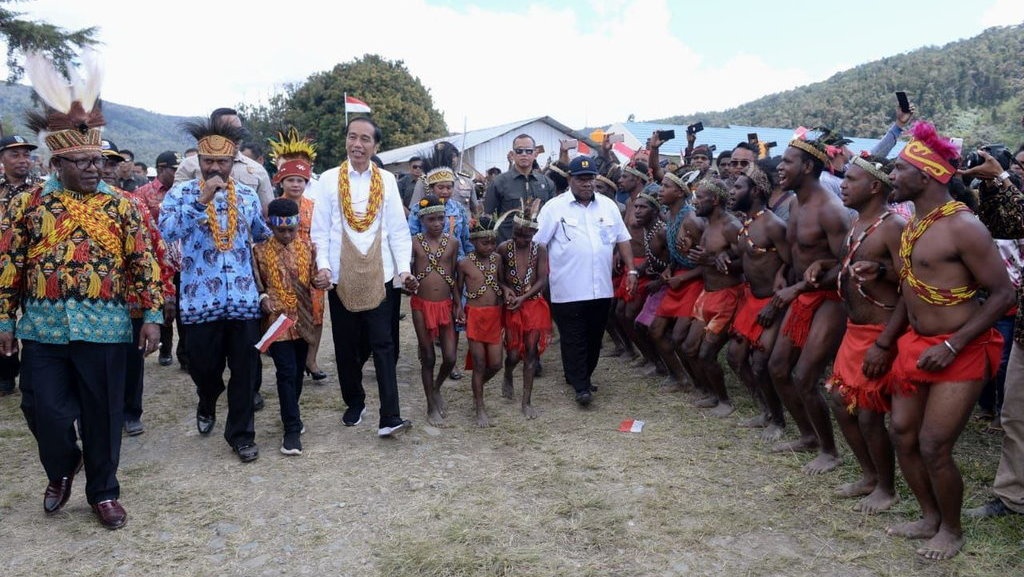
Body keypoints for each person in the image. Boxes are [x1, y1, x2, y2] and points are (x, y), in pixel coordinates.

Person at [0, 51, 162, 529]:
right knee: (41, 408)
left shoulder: (124, 207)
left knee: (104, 413)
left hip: (106, 327)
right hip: (45, 328)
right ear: (58, 162)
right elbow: (9, 264)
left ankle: (104, 492)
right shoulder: (27, 206)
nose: (96, 168)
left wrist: (152, 313)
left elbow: (142, 262)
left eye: (99, 160)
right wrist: (5, 320)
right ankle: (62, 466)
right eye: (84, 161)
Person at [884, 122, 1014, 560]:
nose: (892, 175)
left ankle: (952, 530)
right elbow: (913, 286)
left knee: (933, 445)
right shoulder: (912, 226)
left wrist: (953, 344)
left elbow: (1003, 294)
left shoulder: (964, 227)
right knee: (902, 433)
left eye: (900, 170)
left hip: (958, 350)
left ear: (925, 176)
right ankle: (928, 516)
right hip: (916, 346)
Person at [159, 116, 271, 463]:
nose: (216, 167)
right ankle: (207, 398)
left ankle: (241, 435)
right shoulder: (180, 194)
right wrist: (200, 201)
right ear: (199, 162)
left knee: (246, 370)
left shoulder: (249, 195)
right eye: (209, 161)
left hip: (242, 300)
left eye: (223, 161)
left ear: (233, 161)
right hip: (198, 300)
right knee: (203, 368)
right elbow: (166, 231)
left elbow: (260, 234)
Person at [310, 117, 417, 437]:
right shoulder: (329, 180)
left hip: (381, 274)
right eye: (352, 137)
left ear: (375, 146)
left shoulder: (386, 179)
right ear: (346, 141)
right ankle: (354, 401)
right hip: (340, 276)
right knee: (345, 346)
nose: (358, 144)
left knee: (383, 344)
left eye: (365, 139)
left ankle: (390, 415)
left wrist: (404, 270)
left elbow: (398, 230)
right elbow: (320, 229)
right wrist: (324, 266)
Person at [823, 154, 904, 514]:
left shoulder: (893, 226)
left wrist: (886, 342)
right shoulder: (857, 222)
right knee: (841, 403)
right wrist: (822, 267)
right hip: (854, 330)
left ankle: (887, 488)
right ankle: (869, 475)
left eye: (851, 179)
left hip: (880, 331)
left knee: (870, 413)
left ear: (874, 186)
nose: (842, 183)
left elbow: (911, 285)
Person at [766, 135, 851, 475]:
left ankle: (830, 452)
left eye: (787, 162)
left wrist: (800, 286)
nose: (780, 167)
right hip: (801, 294)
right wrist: (783, 275)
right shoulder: (797, 204)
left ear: (808, 166)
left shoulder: (831, 210)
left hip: (831, 299)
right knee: (777, 367)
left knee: (805, 375)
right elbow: (798, 255)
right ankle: (808, 435)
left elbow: (846, 265)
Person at [534, 156, 636, 406]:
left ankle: (580, 375)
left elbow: (622, 238)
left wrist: (631, 270)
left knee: (594, 338)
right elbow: (539, 243)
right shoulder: (554, 208)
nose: (587, 183)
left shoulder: (608, 206)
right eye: (581, 179)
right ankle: (581, 386)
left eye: (590, 178)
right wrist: (541, 276)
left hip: (600, 287)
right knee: (573, 337)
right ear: (570, 180)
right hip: (567, 287)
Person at [724, 168, 789, 440]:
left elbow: (791, 262)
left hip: (772, 302)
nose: (732, 191)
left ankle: (778, 420)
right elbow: (747, 260)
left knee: (761, 362)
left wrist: (779, 284)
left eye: (738, 187)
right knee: (735, 357)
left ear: (755, 191)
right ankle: (765, 409)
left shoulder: (773, 224)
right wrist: (720, 261)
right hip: (751, 299)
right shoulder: (747, 224)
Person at [253, 198, 318, 456]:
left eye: (291, 229)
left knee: (298, 372)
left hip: (302, 319)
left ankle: (292, 412)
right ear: (271, 225)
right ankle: (291, 429)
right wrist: (263, 298)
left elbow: (314, 278)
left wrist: (322, 278)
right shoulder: (258, 252)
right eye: (281, 230)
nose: (287, 235)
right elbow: (257, 284)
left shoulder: (308, 248)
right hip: (277, 321)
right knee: (286, 372)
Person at [681, 179, 744, 417]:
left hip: (727, 297)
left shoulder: (731, 226)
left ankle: (725, 402)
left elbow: (748, 263)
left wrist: (713, 261)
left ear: (715, 200)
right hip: (707, 295)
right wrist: (692, 252)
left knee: (707, 353)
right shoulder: (708, 224)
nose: (695, 201)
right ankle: (711, 393)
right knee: (689, 348)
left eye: (700, 197)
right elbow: (707, 257)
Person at [273, 157, 328, 382]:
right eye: (291, 180)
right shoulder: (274, 206)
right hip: (282, 265)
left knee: (316, 314)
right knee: (287, 311)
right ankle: (289, 357)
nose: (296, 185)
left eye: (300, 180)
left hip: (310, 265)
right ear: (281, 182)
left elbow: (322, 236)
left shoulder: (314, 207)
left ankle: (311, 359)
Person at [649, 172, 705, 392]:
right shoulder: (669, 216)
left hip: (693, 282)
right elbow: (676, 253)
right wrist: (670, 269)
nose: (660, 190)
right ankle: (681, 377)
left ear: (680, 191)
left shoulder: (691, 219)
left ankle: (700, 384)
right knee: (655, 330)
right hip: (677, 279)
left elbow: (708, 262)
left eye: (665, 186)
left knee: (680, 337)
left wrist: (683, 277)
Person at [409, 195, 459, 426]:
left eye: (440, 218)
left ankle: (437, 387)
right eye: (432, 219)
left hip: (446, 305)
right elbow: (407, 270)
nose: (437, 223)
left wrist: (458, 303)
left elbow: (456, 276)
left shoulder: (453, 242)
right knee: (427, 356)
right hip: (421, 305)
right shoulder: (414, 242)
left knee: (450, 357)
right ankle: (430, 405)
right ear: (422, 220)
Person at [499, 200, 550, 419]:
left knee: (530, 352)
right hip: (513, 306)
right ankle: (508, 372)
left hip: (533, 304)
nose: (521, 240)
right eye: (518, 235)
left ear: (533, 235)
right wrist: (507, 291)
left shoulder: (540, 249)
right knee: (512, 353)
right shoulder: (503, 248)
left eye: (526, 237)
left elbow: (542, 279)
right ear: (512, 231)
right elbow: (499, 279)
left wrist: (524, 297)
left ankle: (526, 401)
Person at [136, 151, 185, 368]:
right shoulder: (143, 193)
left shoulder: (185, 191)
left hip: (182, 259)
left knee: (184, 307)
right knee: (165, 305)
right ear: (161, 168)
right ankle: (166, 347)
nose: (178, 173)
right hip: (157, 260)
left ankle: (186, 353)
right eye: (174, 169)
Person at [456, 216, 505, 427]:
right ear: (474, 241)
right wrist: (458, 307)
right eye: (484, 242)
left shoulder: (497, 260)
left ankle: (477, 387)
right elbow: (457, 290)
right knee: (479, 362)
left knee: (495, 364)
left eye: (492, 242)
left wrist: (507, 292)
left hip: (494, 315)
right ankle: (479, 405)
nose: (490, 246)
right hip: (474, 315)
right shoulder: (464, 263)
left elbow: (502, 282)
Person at [0, 134, 40, 397]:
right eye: (15, 154)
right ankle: (5, 372)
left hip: (31, 268)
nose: (22, 160)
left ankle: (33, 373)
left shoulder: (40, 190)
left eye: (26, 154)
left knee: (32, 318)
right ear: (2, 158)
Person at [175, 107, 273, 211]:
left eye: (239, 130)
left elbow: (267, 213)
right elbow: (175, 208)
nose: (236, 136)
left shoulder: (257, 169)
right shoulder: (188, 165)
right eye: (230, 130)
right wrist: (202, 201)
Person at [484, 134, 556, 242]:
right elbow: (487, 216)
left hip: (539, 246)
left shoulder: (547, 183)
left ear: (535, 154)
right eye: (519, 151)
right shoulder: (499, 182)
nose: (524, 154)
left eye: (528, 151)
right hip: (507, 247)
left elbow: (552, 217)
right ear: (512, 154)